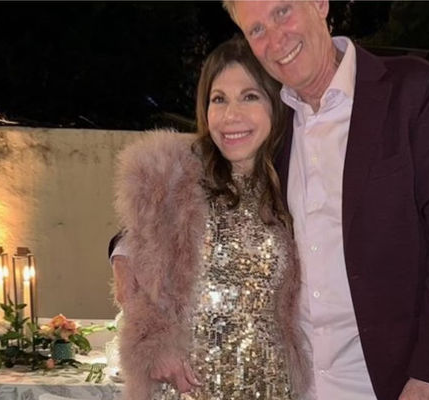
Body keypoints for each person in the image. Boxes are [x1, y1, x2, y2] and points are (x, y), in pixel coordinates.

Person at [224, 1, 429, 399]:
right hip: (297, 384)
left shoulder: (413, 90)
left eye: (282, 12)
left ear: (320, 4)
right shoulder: (270, 123)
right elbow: (199, 188)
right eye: (256, 30)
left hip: (388, 385)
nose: (276, 39)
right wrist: (127, 246)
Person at [114, 36, 309, 400]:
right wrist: (152, 343)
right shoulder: (174, 178)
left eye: (250, 96)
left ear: (276, 103)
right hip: (187, 389)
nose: (231, 115)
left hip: (271, 385)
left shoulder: (295, 187)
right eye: (219, 99)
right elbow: (132, 254)